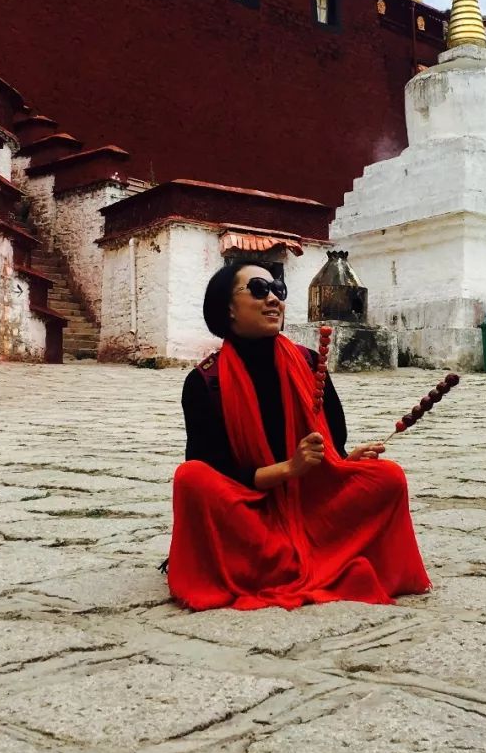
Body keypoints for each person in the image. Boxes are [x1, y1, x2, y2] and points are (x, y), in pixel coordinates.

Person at [166, 261, 430, 611]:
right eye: (259, 290)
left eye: (279, 290)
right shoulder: (205, 382)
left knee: (388, 477)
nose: (274, 298)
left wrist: (345, 461)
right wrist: (288, 469)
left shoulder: (310, 363)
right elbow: (214, 470)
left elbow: (332, 446)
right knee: (192, 479)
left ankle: (281, 562)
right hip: (252, 510)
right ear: (227, 307)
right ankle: (302, 559)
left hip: (312, 505)